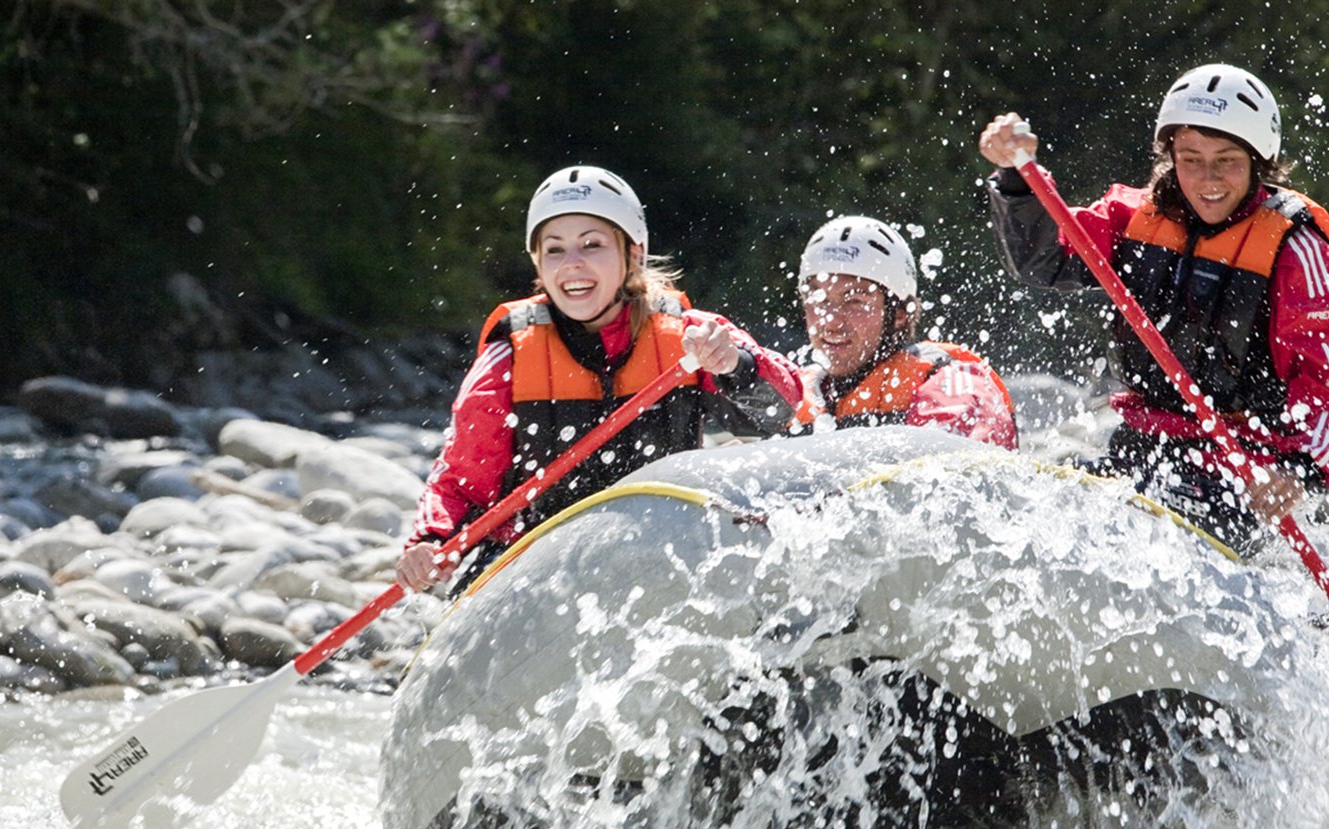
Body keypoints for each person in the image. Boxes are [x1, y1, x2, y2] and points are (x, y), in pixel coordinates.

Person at [396, 165, 803, 593]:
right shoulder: (509, 359)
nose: (572, 264)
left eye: (592, 245)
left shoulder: (690, 337)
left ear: (633, 255)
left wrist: (733, 365)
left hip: (662, 555)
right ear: (537, 262)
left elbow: (787, 412)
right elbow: (462, 484)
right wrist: (431, 541)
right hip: (542, 566)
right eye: (554, 250)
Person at [979, 63, 1329, 554]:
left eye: (1226, 160)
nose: (1207, 179)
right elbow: (1044, 260)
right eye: (1190, 158)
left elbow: (1322, 385)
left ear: (1258, 163)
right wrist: (1017, 178)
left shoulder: (1297, 248)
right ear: (1170, 156)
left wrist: (1294, 473)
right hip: (1144, 441)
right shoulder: (1135, 217)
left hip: (1251, 465)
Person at [788, 214, 1018, 449]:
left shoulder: (946, 382)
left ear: (899, 313)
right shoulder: (792, 394)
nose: (831, 321)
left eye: (855, 301)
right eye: (818, 298)